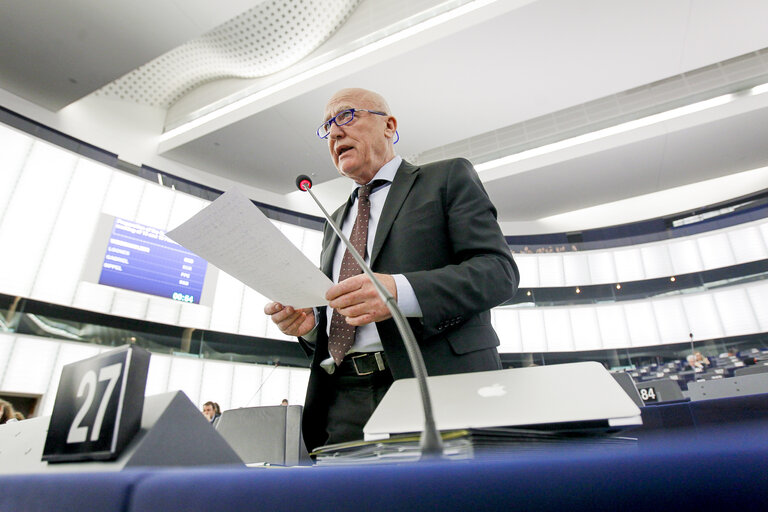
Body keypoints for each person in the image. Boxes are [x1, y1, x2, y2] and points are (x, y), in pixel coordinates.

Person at [265, 88, 518, 451]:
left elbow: (499, 272)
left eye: (346, 116)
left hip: (432, 384)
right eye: (327, 127)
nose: (334, 133)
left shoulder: (445, 178)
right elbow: (342, 315)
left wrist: (398, 292)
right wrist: (311, 328)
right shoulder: (334, 220)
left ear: (389, 125)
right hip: (342, 399)